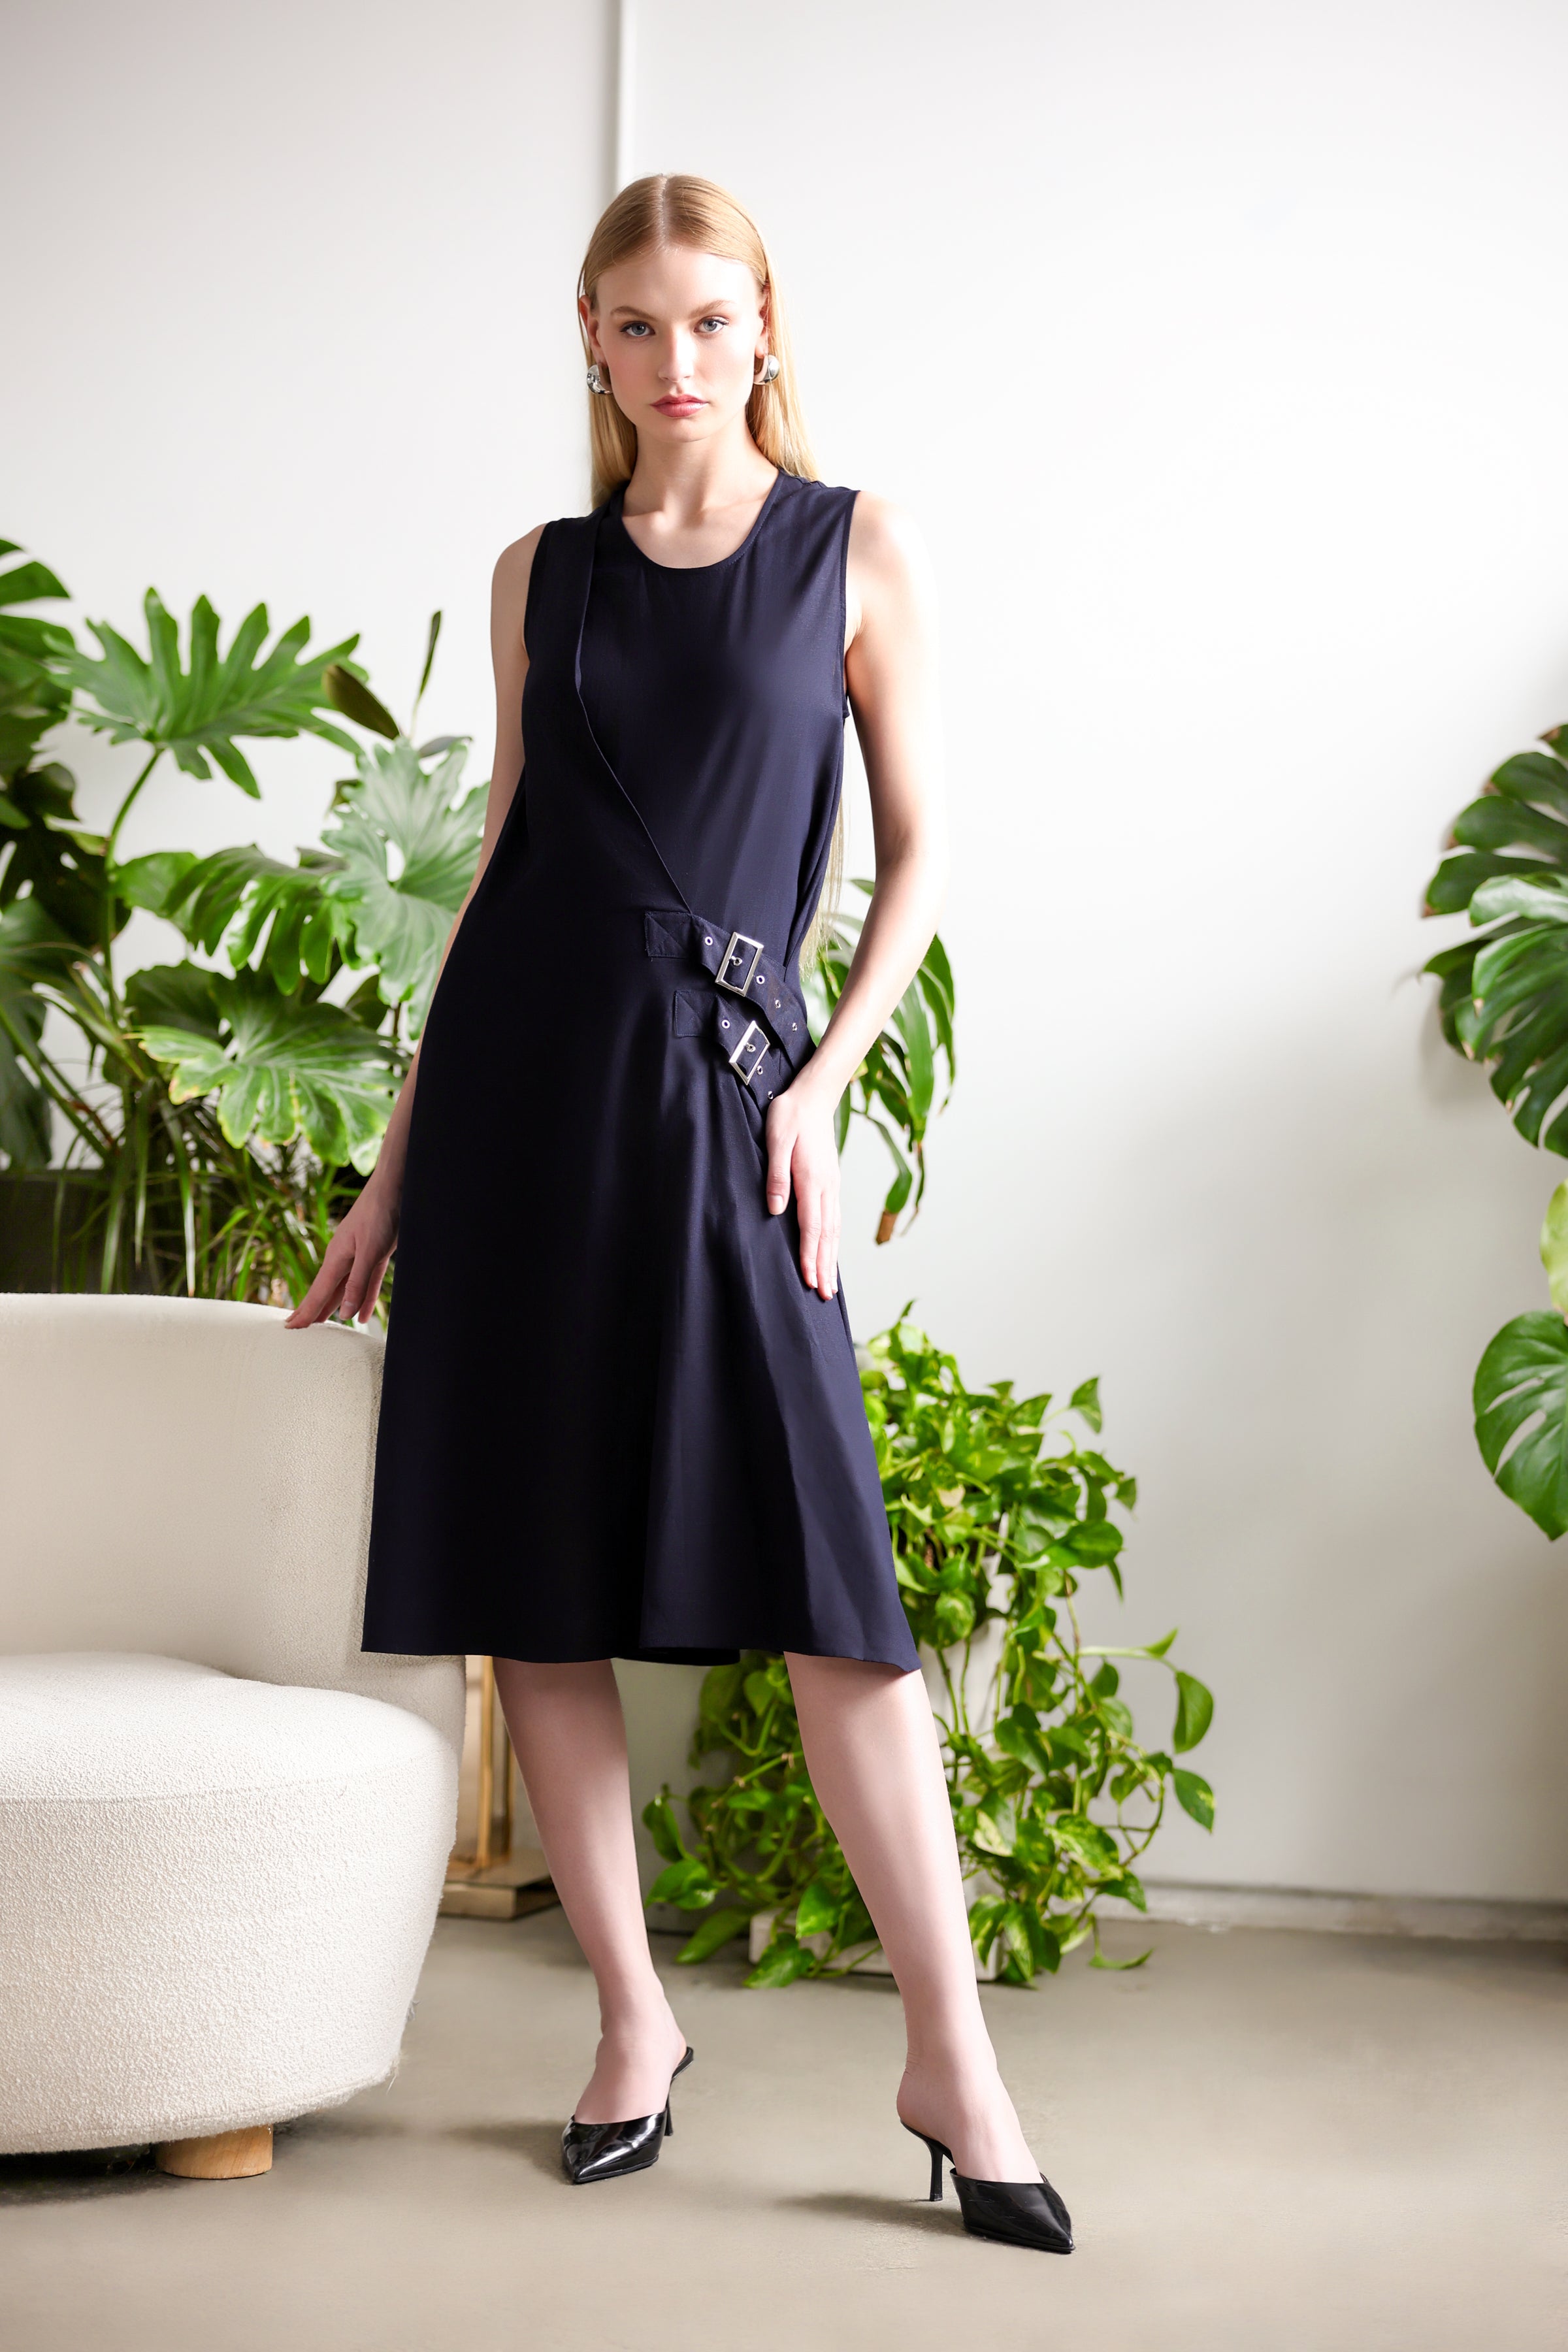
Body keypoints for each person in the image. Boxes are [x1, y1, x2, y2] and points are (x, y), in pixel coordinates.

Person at [287, 173, 1070, 2256]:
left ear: (766, 326)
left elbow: (911, 864)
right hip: (531, 1108)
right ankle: (632, 2024)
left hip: (732, 1114)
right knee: (533, 1585)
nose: (677, 359)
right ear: (591, 341)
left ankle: (952, 2058)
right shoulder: (540, 573)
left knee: (837, 1601)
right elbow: (504, 874)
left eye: (709, 320)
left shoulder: (851, 548)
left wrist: (824, 1080)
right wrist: (397, 1164)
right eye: (636, 326)